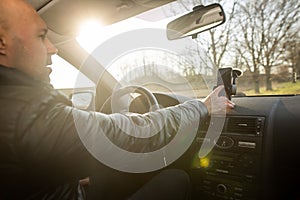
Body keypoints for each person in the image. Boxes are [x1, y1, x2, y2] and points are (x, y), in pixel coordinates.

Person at [0, 0, 234, 199]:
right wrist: (202, 106)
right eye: (41, 37)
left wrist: (64, 181)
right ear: (2, 44)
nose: (53, 49)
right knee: (177, 178)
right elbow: (139, 133)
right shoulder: (29, 115)